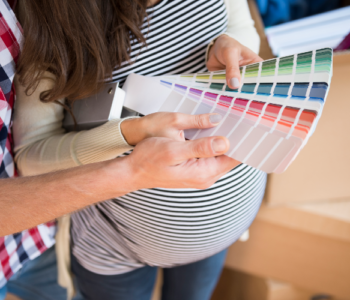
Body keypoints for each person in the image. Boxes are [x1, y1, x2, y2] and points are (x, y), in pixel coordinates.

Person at [12, 0, 267, 299]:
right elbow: (32, 155)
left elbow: (242, 26)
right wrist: (131, 134)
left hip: (224, 228)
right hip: (118, 247)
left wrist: (230, 44)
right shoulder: (54, 14)